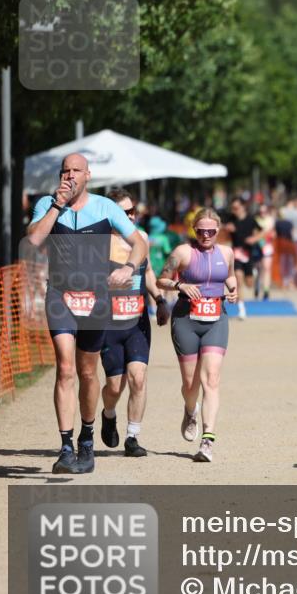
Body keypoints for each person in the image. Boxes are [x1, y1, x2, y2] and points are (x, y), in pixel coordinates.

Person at [26, 153, 148, 474]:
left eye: (76, 170)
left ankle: (87, 437)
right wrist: (56, 205)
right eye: (65, 170)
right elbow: (35, 239)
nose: (69, 175)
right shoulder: (46, 205)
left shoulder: (106, 208)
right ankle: (66, 446)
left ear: (88, 175)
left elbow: (138, 243)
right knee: (65, 369)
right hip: (60, 295)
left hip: (96, 298)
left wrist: (128, 268)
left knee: (88, 372)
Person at [157, 209, 239, 462]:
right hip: (186, 319)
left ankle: (207, 441)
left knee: (211, 379)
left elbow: (231, 275)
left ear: (218, 230)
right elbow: (162, 279)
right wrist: (180, 285)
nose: (206, 235)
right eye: (201, 230)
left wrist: (234, 291)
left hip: (216, 318)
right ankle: (190, 410)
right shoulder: (182, 252)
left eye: (211, 231)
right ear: (194, 229)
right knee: (190, 384)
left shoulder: (226, 253)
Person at [99, 188, 171, 457]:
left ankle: (132, 437)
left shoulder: (141, 237)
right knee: (115, 385)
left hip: (137, 321)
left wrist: (160, 300)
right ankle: (108, 414)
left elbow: (149, 271)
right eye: (125, 212)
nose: (131, 216)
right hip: (108, 322)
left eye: (133, 211)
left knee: (138, 378)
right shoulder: (98, 242)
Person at [225, 198, 262, 320]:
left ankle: (254, 275)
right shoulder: (231, 218)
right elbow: (224, 232)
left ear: (243, 207)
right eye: (233, 208)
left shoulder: (251, 219)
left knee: (249, 283)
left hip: (249, 253)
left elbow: (262, 232)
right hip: (236, 253)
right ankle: (241, 309)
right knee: (238, 280)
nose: (234, 210)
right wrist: (227, 229)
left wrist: (254, 239)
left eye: (236, 208)